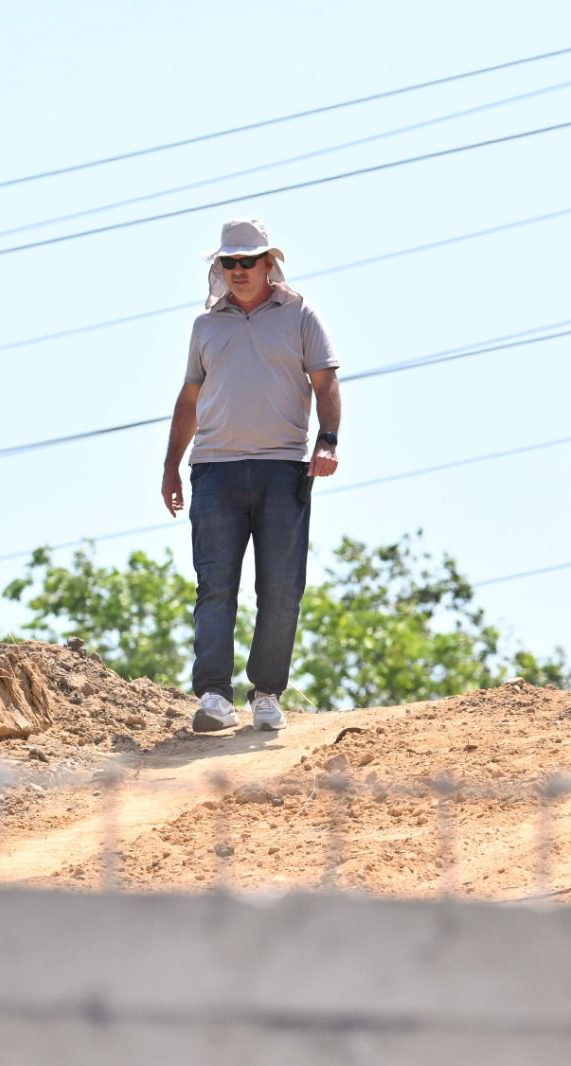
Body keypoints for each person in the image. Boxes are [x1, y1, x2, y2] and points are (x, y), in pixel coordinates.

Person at [162, 219, 342, 734]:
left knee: (282, 588)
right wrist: (171, 466)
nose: (237, 270)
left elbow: (326, 382)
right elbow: (190, 399)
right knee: (214, 587)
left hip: (284, 468)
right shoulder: (205, 327)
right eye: (229, 262)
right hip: (214, 471)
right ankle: (215, 696)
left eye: (247, 261)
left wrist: (326, 441)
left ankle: (266, 693)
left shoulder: (301, 314)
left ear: (269, 264)